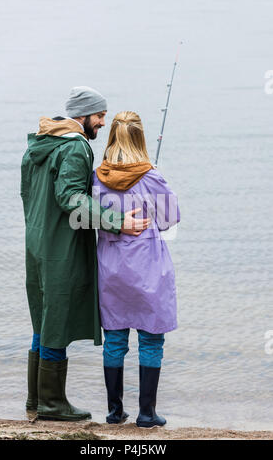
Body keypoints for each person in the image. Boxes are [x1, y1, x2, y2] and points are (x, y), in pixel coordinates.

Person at [20, 88, 151, 421]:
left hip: (36, 243)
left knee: (43, 319)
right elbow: (71, 199)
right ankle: (53, 404)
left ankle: (35, 399)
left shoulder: (38, 143)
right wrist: (119, 221)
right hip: (60, 248)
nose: (103, 123)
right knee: (56, 321)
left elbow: (28, 195)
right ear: (83, 116)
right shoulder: (75, 147)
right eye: (99, 116)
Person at [92, 111, 180, 428]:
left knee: (115, 339)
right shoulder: (151, 177)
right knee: (151, 339)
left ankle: (115, 412)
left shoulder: (96, 177)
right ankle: (146, 413)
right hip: (148, 266)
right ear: (141, 138)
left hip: (110, 267)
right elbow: (170, 220)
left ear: (112, 137)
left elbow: (88, 218)